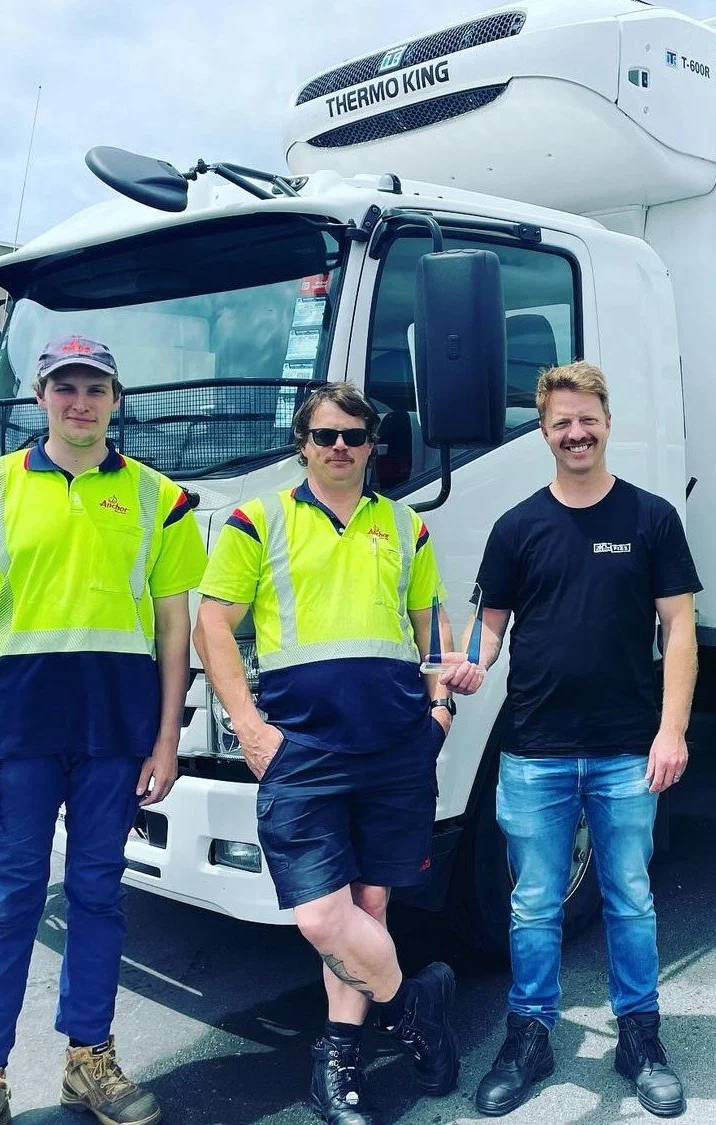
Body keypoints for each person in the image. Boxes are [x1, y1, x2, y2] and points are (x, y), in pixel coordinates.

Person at [0, 336, 207, 1125]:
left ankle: (89, 1060)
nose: (80, 401)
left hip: (115, 735)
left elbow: (172, 630)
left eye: (95, 387)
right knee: (11, 903)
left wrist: (166, 739)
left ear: (116, 400)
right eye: (65, 386)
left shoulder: (163, 499)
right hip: (14, 733)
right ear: (40, 395)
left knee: (97, 895)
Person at [438, 361, 700, 1118]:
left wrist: (671, 729)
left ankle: (640, 1038)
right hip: (534, 752)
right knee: (533, 905)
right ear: (545, 432)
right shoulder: (518, 526)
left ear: (607, 422)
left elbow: (679, 627)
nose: (575, 433)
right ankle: (530, 1035)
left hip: (626, 751)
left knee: (630, 899)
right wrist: (472, 668)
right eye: (560, 423)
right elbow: (489, 632)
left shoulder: (650, 518)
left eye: (586, 419)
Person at [194, 381, 459, 1125]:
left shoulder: (407, 526)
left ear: (373, 445)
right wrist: (247, 724)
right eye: (324, 435)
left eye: (353, 435)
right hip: (303, 750)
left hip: (396, 745)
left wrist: (441, 705)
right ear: (301, 443)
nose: (339, 447)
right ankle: (415, 1005)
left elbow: (432, 628)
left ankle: (338, 1059)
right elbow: (213, 627)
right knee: (321, 916)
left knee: (369, 904)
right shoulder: (257, 519)